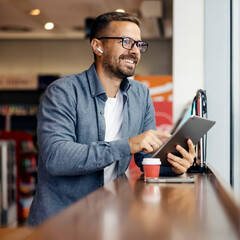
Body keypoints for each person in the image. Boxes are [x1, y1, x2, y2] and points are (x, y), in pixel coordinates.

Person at [28, 12, 196, 226]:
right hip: (63, 224)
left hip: (113, 217)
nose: (134, 51)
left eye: (139, 44)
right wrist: (128, 144)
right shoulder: (63, 92)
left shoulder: (140, 95)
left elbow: (146, 158)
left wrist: (175, 164)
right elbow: (57, 157)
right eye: (126, 42)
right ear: (98, 46)